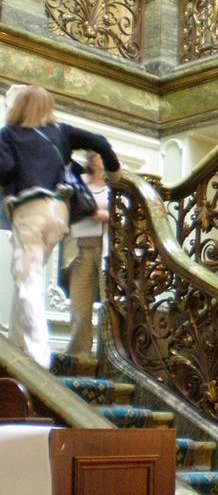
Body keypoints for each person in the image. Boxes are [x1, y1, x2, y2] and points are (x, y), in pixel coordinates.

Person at [0, 85, 120, 369]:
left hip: (31, 210)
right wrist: (114, 171)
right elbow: (100, 141)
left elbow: (4, 169)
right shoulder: (61, 132)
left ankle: (39, 359)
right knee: (28, 274)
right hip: (59, 213)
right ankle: (18, 342)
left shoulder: (10, 134)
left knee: (28, 279)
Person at [65, 151, 110, 358]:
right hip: (81, 248)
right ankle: (79, 353)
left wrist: (103, 215)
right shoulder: (80, 183)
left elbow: (121, 215)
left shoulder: (112, 188)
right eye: (91, 156)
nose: (94, 158)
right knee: (80, 304)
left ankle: (108, 353)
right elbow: (71, 207)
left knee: (110, 304)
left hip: (106, 250)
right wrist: (89, 213)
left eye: (98, 156)